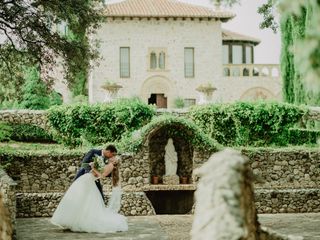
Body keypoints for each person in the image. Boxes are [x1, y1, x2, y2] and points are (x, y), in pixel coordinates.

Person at [50, 155, 128, 233]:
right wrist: (94, 165)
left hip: (89, 180)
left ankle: (76, 221)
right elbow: (99, 172)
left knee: (82, 201)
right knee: (81, 201)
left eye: (114, 157)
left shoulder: (111, 165)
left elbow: (102, 176)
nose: (112, 157)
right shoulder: (108, 164)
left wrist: (93, 167)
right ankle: (74, 221)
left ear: (115, 161)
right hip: (87, 179)